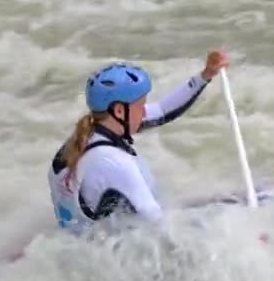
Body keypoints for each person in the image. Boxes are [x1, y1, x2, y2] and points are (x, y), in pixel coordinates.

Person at [47, 50, 230, 236]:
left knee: (215, 202)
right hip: (114, 254)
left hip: (83, 242)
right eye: (140, 105)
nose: (145, 112)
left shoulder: (83, 137)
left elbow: (162, 110)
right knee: (221, 210)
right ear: (119, 110)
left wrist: (206, 75)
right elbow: (163, 227)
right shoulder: (114, 163)